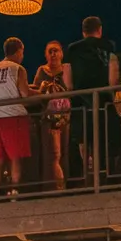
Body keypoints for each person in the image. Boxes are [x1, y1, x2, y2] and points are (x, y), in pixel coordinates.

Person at [64, 16, 119, 179]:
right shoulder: (108, 46)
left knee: (83, 138)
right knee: (103, 137)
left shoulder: (72, 49)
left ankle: (87, 173)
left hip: (80, 100)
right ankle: (102, 173)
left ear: (83, 32)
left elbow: (67, 80)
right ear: (99, 30)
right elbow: (113, 79)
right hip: (103, 100)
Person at [0, 38, 32, 193]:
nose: (22, 56)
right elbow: (25, 94)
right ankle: (15, 190)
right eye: (22, 52)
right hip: (13, 116)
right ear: (18, 51)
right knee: (15, 157)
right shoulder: (17, 69)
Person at [32, 41, 70, 190]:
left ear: (61, 53)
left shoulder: (66, 69)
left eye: (56, 51)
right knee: (51, 152)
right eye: (50, 51)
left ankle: (66, 184)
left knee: (65, 150)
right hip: (47, 117)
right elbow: (36, 91)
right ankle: (51, 186)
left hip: (65, 116)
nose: (53, 54)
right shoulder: (42, 70)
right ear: (46, 54)